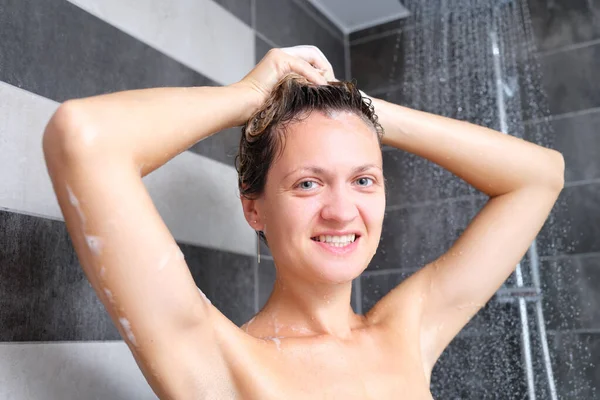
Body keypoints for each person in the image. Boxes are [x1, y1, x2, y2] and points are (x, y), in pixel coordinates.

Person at [42, 45, 564, 399]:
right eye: (308, 184)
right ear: (254, 207)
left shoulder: (407, 330)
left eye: (363, 180)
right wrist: (246, 97)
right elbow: (83, 136)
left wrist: (365, 114)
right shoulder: (219, 362)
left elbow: (541, 175)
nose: (342, 211)